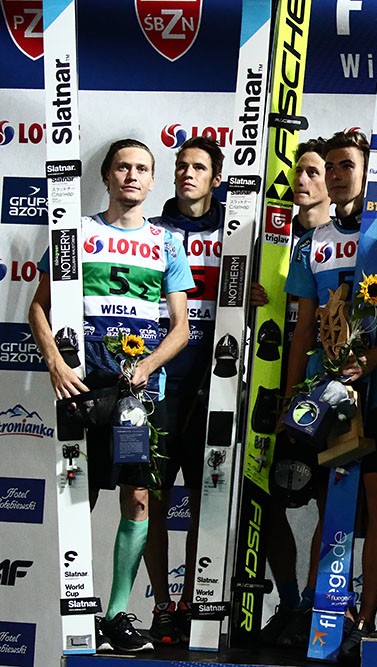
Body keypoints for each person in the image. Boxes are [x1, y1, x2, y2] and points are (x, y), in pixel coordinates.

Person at [28, 138, 194, 652]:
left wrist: (147, 365)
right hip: (83, 386)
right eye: (123, 167)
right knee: (80, 494)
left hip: (138, 394)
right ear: (106, 176)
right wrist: (55, 362)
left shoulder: (167, 242)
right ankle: (79, 605)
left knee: (139, 495)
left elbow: (181, 327)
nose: (132, 176)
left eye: (142, 168)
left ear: (153, 180)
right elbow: (38, 307)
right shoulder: (75, 233)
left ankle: (118, 616)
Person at [279, 130, 377, 661]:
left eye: (345, 165)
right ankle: (322, 609)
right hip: (328, 389)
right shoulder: (313, 241)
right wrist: (291, 396)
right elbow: (303, 329)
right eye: (328, 166)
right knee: (334, 499)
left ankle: (367, 619)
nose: (334, 174)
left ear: (369, 173)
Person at [141, 136, 225, 645]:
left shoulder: (235, 232)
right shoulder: (152, 231)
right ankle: (161, 606)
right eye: (181, 166)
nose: (187, 174)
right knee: (151, 498)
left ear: (216, 178)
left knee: (202, 501)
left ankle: (193, 600)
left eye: (198, 167)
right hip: (159, 385)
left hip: (213, 388)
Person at [259, 137, 338, 648]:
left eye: (313, 171)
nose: (302, 180)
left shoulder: (350, 237)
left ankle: (314, 606)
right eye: (298, 172)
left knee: (332, 504)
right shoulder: (271, 237)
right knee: (266, 500)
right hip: (270, 381)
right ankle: (289, 602)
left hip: (326, 385)